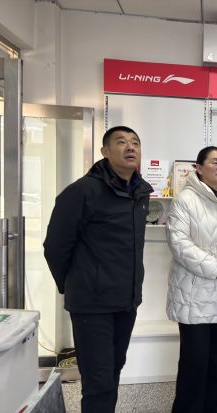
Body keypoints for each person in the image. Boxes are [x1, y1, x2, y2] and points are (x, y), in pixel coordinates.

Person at [43, 126, 153, 412]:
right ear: (104, 151)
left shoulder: (139, 193)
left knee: (114, 369)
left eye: (135, 142)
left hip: (126, 301)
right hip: (92, 304)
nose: (130, 147)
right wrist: (74, 285)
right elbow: (55, 247)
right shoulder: (82, 191)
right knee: (98, 381)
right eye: (121, 142)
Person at [166, 146, 217, 413]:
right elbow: (179, 243)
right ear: (199, 168)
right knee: (194, 360)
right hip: (194, 293)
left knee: (215, 355)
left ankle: (214, 406)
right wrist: (216, 267)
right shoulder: (185, 200)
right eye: (214, 162)